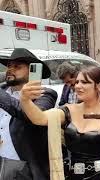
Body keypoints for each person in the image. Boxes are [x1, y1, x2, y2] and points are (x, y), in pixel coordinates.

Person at [20, 66, 100, 179]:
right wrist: (24, 100)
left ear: (99, 86)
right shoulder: (69, 110)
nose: (78, 86)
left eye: (84, 82)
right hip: (72, 175)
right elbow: (39, 118)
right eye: (77, 82)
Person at [0, 48, 57, 179]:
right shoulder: (3, 91)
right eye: (9, 66)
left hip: (25, 169)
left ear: (32, 71)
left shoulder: (45, 94)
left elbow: (29, 115)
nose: (11, 69)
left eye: (17, 67)